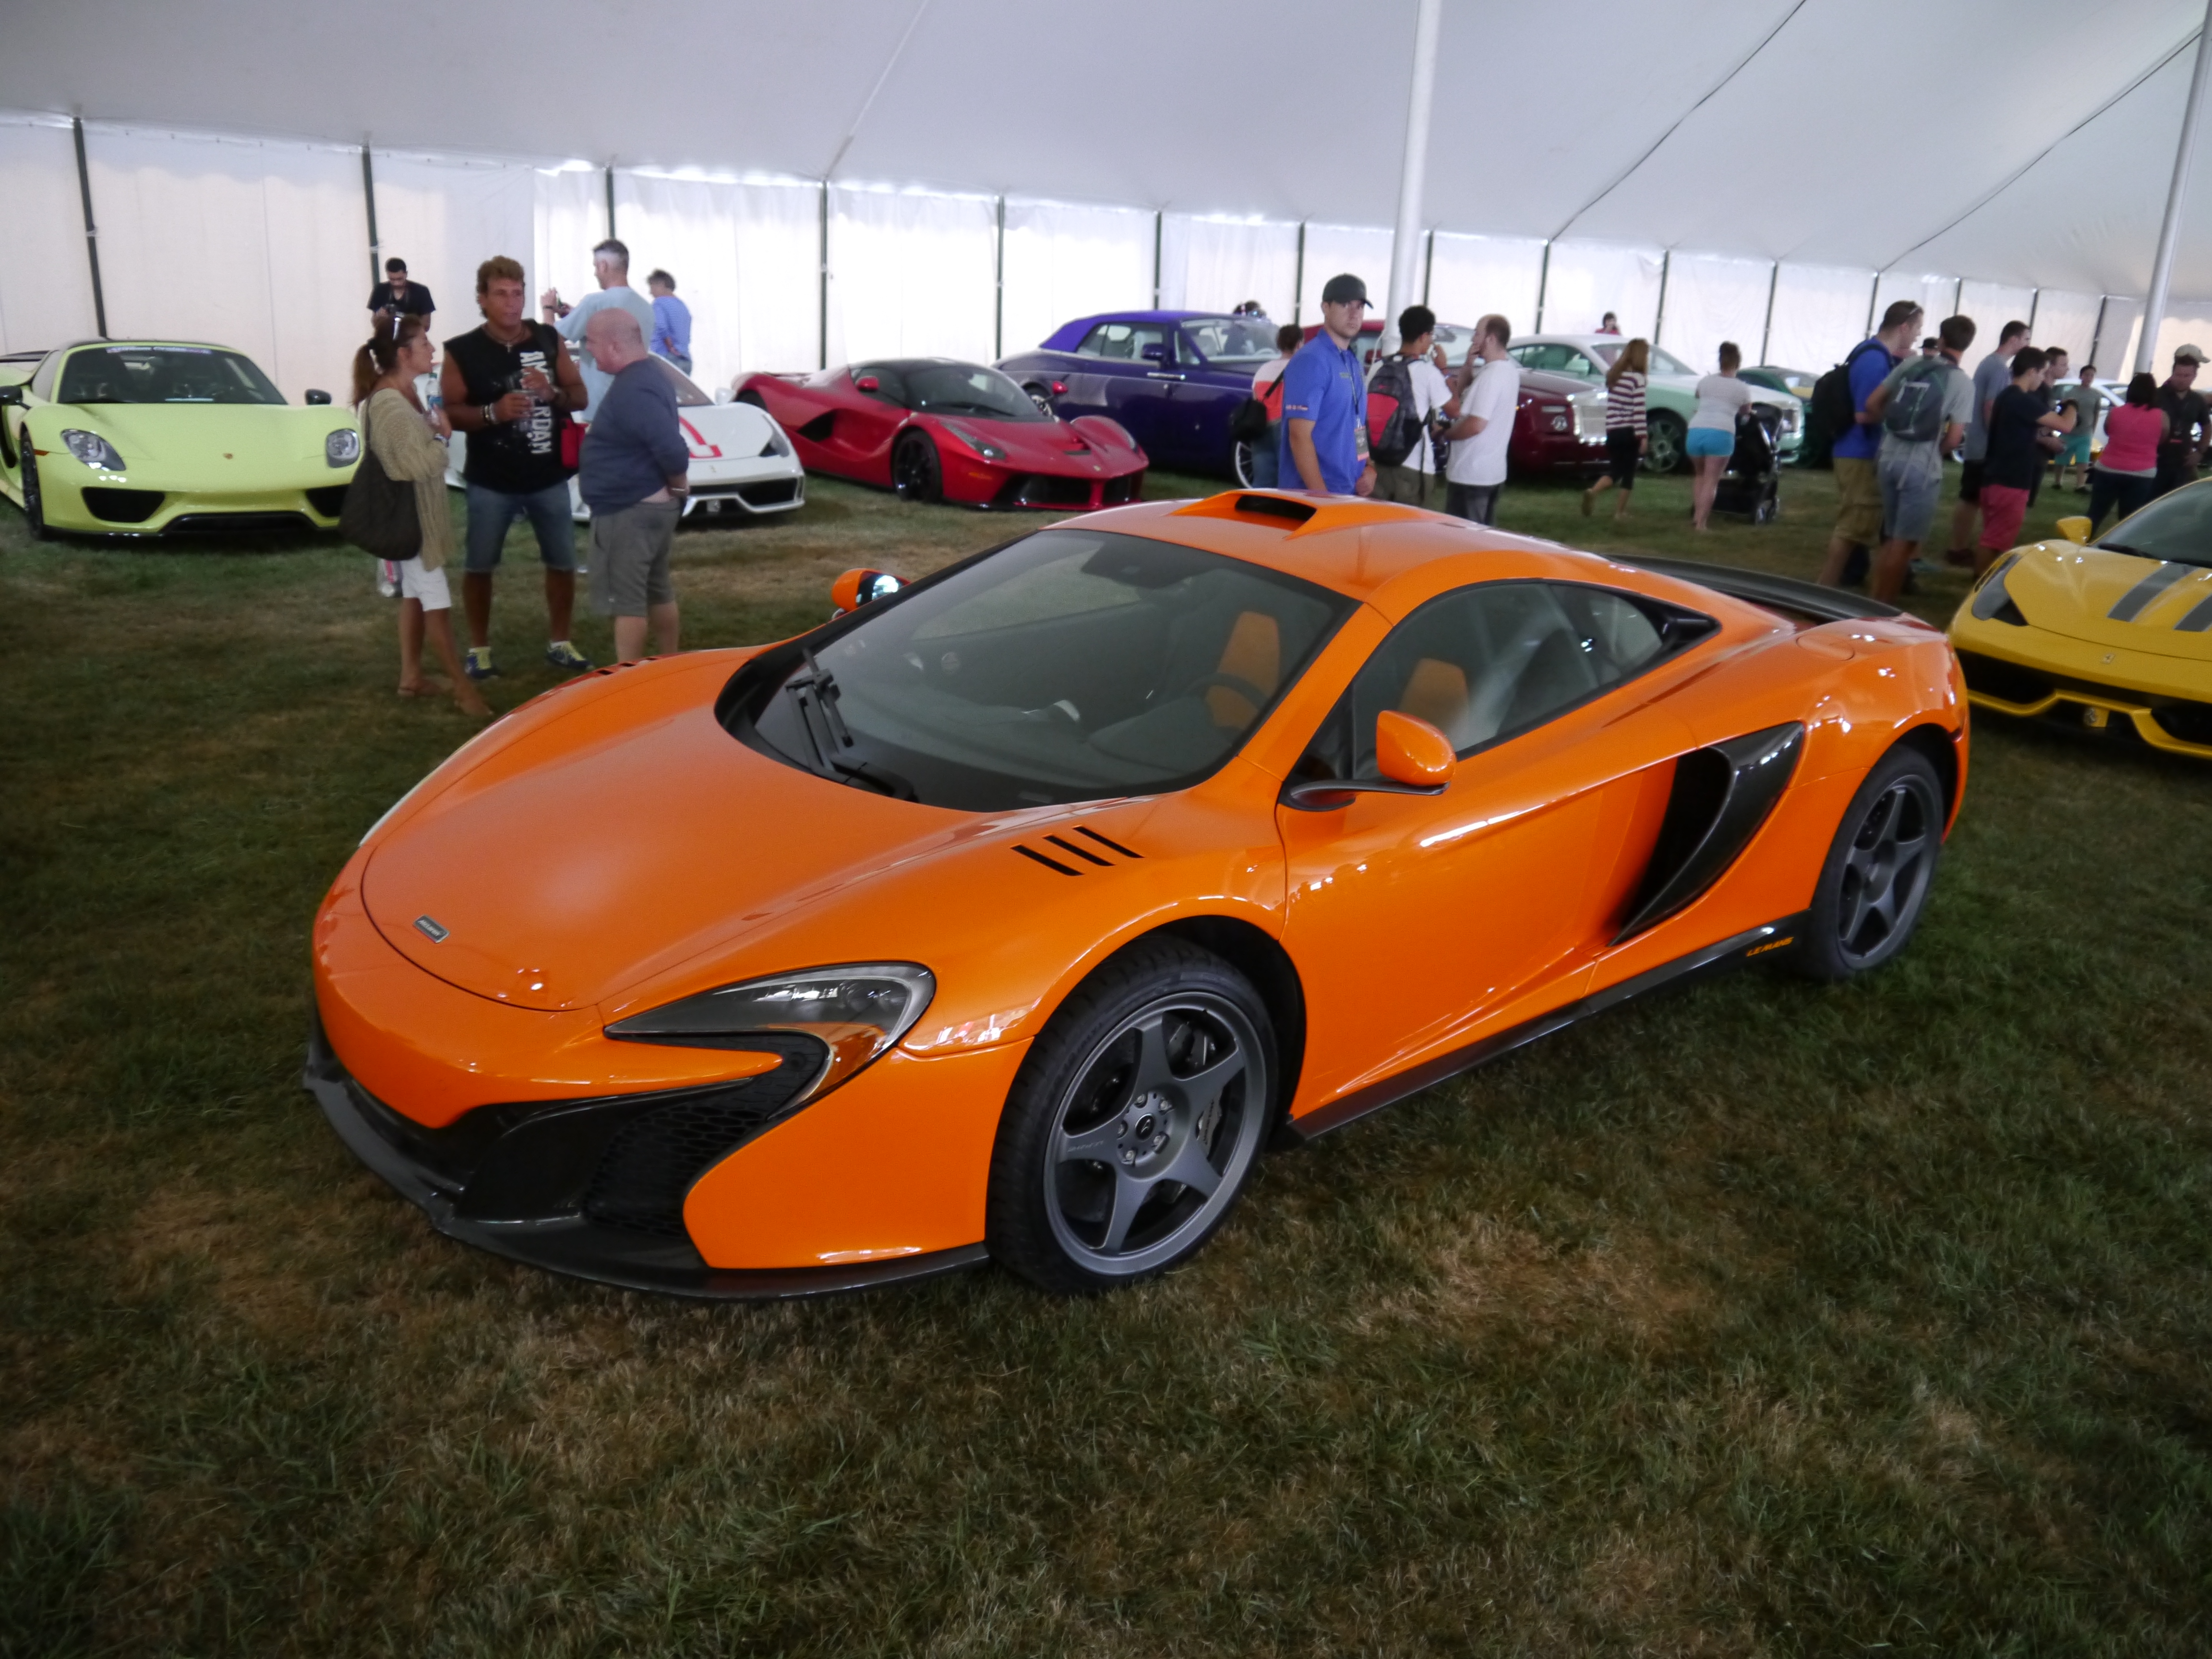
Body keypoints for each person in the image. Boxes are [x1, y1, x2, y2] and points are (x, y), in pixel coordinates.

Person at [442, 254, 592, 680]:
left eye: (518, 294)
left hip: (548, 476)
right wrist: (492, 413)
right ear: (482, 299)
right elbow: (451, 411)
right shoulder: (463, 350)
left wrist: (553, 392)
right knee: (480, 564)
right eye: (502, 295)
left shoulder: (547, 339)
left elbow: (580, 396)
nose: (512, 303)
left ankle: (561, 642)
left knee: (562, 561)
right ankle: (479, 649)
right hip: (492, 479)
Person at [352, 316, 488, 718]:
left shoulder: (402, 393)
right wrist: (442, 438)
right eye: (425, 344)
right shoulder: (391, 404)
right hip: (410, 523)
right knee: (435, 601)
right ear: (403, 354)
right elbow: (411, 466)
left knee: (415, 596)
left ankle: (411, 677)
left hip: (412, 519)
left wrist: (430, 431)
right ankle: (464, 691)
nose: (433, 350)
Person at [578, 309, 688, 663]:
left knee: (628, 603)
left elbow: (671, 448)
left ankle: (629, 681)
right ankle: (669, 664)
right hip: (648, 507)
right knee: (658, 590)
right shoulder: (650, 377)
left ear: (613, 345)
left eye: (591, 343)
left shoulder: (634, 388)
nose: (589, 351)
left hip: (629, 512)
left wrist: (680, 487)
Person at [1863, 313, 1976, 604]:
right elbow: (1954, 438)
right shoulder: (1962, 383)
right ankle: (1881, 607)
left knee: (1890, 536)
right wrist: (1933, 451)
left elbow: (1873, 403)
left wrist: (1889, 430)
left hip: (1888, 455)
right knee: (1904, 542)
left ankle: (1871, 600)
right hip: (1921, 465)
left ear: (1941, 339)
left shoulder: (1912, 364)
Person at [1818, 301, 1922, 590]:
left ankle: (1837, 585)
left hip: (1855, 450)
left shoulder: (1871, 353)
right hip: (1859, 451)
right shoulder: (1875, 360)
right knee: (1853, 526)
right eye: (1916, 329)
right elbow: (1865, 412)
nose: (1917, 335)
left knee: (1859, 523)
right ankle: (1824, 588)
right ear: (1904, 327)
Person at [1976, 347, 2073, 572]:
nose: (2043, 379)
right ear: (2032, 371)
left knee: (1992, 534)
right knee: (1995, 540)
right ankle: (1982, 584)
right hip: (2011, 480)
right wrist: (2073, 406)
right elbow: (2065, 425)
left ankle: (1983, 580)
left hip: (1994, 475)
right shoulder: (2023, 400)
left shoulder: (2005, 396)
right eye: (2042, 373)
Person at [541, 238, 659, 421]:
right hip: (635, 405)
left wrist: (548, 309)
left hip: (600, 409)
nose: (596, 273)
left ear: (603, 266)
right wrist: (575, 315)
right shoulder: (646, 308)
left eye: (596, 267)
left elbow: (549, 339)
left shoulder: (594, 303)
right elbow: (614, 329)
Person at [1280, 273, 1376, 496]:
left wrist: (1369, 467)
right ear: (1326, 307)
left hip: (1349, 493)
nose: (1354, 315)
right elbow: (1299, 436)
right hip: (1314, 499)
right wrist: (1322, 499)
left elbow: (1358, 425)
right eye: (1345, 305)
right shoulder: (1312, 360)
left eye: (1360, 307)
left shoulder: (1352, 362)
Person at [1946, 318, 2030, 563]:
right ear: (2013, 339)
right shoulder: (1999, 368)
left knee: (1972, 497)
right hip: (1984, 446)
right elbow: (1990, 406)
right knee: (1971, 498)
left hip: (1978, 443)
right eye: (2026, 339)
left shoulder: (1991, 364)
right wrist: (1999, 438)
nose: (2027, 344)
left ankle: (1962, 545)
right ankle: (1959, 548)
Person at [1440, 314, 1519, 524]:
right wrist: (1468, 364)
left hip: (1471, 474)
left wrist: (1446, 434)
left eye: (1477, 334)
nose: (1473, 339)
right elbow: (1464, 392)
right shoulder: (1506, 372)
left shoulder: (1492, 377)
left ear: (1491, 339)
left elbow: (1476, 424)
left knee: (1462, 541)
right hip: (1491, 472)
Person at [1371, 304, 1452, 505]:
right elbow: (1454, 409)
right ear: (1425, 336)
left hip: (1378, 462)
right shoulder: (1428, 372)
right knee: (1409, 531)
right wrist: (1443, 369)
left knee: (1378, 529)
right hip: (1414, 467)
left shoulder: (1377, 368)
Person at [2087, 373, 2166, 534]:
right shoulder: (2162, 417)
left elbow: (2109, 432)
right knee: (2130, 519)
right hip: (2142, 472)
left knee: (2095, 513)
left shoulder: (2115, 413)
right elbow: (2162, 439)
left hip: (2109, 468)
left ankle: (2082, 540)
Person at [1686, 342, 1753, 532]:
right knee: (1711, 480)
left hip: (1696, 431)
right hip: (1721, 432)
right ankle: (1701, 523)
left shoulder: (1706, 382)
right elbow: (1746, 411)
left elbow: (1699, 396)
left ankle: (1695, 516)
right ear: (1737, 363)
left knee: (1700, 475)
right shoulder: (1742, 388)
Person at [1583, 336, 1648, 520]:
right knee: (1628, 474)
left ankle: (1593, 490)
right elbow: (1639, 410)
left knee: (1615, 470)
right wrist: (1643, 436)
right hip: (1629, 432)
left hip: (1613, 431)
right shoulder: (1638, 379)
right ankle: (1620, 513)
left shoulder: (1614, 377)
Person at [1246, 323, 1301, 488]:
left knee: (1262, 482)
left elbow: (1256, 397)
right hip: (1284, 426)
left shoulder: (1263, 369)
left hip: (1261, 427)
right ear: (1299, 344)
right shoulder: (1300, 369)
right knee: (1288, 482)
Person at [2152, 344, 2208, 498]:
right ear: (2172, 374)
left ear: (2194, 376)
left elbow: (2207, 426)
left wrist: (2200, 452)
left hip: (2183, 461)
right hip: (2156, 458)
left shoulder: (2197, 400)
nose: (2182, 380)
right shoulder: (2157, 396)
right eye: (2178, 375)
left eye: (2187, 376)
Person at [2054, 363, 2103, 491]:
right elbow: (2063, 409)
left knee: (2083, 459)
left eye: (2092, 375)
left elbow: (2096, 413)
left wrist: (2093, 429)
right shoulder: (2071, 392)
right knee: (2062, 457)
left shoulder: (2096, 395)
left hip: (2085, 432)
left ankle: (2080, 485)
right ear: (2081, 376)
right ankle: (2058, 481)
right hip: (2069, 431)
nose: (2089, 377)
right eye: (2087, 375)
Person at [367, 257, 434, 334]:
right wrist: (380, 316)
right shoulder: (380, 290)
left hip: (412, 338)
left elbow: (426, 326)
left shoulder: (421, 291)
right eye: (392, 279)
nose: (396, 283)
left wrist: (405, 325)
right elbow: (375, 324)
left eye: (400, 279)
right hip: (387, 339)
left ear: (406, 274)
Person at [645, 269, 693, 375]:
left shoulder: (659, 303)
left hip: (666, 358)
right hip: (685, 358)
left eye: (652, 287)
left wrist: (670, 346)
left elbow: (661, 326)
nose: (651, 292)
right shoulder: (682, 306)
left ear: (661, 285)